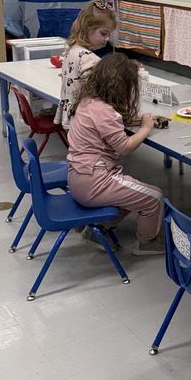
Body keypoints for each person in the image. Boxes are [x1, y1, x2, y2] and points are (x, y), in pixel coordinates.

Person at [66, 53, 164, 256]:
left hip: (77, 178)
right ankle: (147, 242)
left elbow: (108, 125)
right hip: (96, 181)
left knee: (134, 192)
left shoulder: (88, 102)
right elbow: (124, 147)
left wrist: (139, 121)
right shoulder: (105, 112)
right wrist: (145, 128)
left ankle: (97, 230)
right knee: (154, 197)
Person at [54, 0, 117, 131]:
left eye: (109, 35)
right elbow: (98, 94)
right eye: (103, 33)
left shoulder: (70, 50)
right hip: (86, 120)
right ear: (87, 28)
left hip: (71, 114)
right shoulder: (89, 58)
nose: (107, 39)